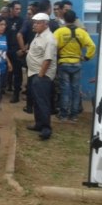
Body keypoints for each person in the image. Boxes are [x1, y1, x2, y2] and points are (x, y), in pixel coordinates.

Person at [53, 10, 96, 122]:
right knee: (75, 90)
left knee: (64, 89)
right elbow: (92, 46)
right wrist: (86, 57)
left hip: (63, 63)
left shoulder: (59, 32)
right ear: (75, 19)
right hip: (77, 64)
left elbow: (52, 45)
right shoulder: (82, 32)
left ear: (65, 18)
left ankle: (63, 115)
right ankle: (74, 115)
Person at [25, 12, 58, 141]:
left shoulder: (49, 39)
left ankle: (46, 128)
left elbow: (48, 59)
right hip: (33, 73)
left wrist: (40, 75)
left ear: (45, 24)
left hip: (41, 75)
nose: (35, 25)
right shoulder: (39, 36)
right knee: (36, 101)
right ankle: (38, 124)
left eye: (38, 23)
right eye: (34, 22)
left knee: (42, 102)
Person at [6, 1, 24, 103]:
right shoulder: (6, 21)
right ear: (11, 9)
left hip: (17, 52)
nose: (18, 11)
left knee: (17, 73)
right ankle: (4, 88)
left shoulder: (22, 21)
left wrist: (22, 49)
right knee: (7, 71)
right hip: (6, 50)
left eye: (20, 9)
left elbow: (25, 36)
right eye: (16, 9)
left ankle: (16, 93)